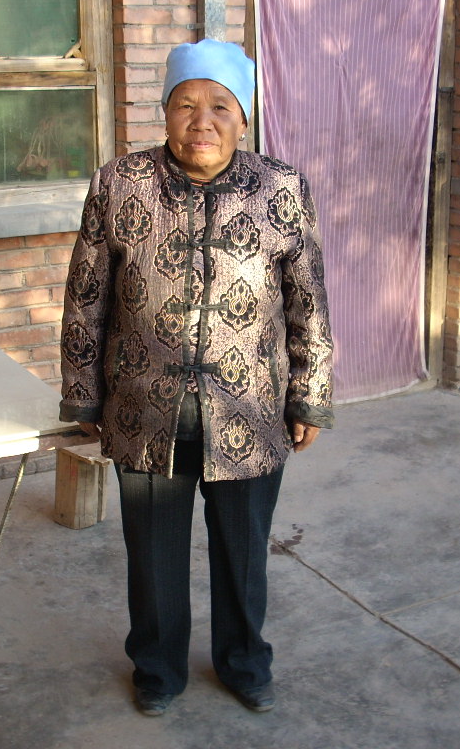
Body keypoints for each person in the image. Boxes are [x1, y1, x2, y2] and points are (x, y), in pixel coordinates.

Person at [59, 38, 334, 716]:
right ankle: (157, 669)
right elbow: (86, 295)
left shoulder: (281, 188)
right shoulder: (120, 183)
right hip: (143, 407)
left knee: (243, 552)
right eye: (185, 105)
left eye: (219, 106)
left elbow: (307, 299)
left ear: (244, 117)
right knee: (153, 556)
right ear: (165, 112)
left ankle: (244, 662)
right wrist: (82, 393)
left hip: (250, 410)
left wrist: (309, 395)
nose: (201, 121)